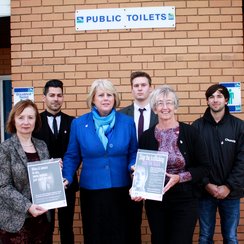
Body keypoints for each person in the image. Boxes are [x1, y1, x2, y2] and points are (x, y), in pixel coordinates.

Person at [62, 79, 138, 244]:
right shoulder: (79, 123)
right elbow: (72, 155)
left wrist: (133, 166)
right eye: (101, 95)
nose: (106, 98)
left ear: (115, 98)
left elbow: (133, 153)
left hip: (121, 188)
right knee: (95, 235)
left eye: (109, 95)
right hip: (92, 191)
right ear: (93, 99)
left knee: (121, 234)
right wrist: (66, 176)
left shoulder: (127, 122)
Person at [132, 85, 210, 244]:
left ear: (176, 106)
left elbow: (204, 167)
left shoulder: (191, 133)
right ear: (154, 108)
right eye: (160, 103)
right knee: (159, 239)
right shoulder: (146, 137)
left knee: (180, 240)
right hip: (156, 199)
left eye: (169, 102)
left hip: (185, 198)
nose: (165, 107)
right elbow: (143, 168)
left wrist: (179, 178)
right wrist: (137, 180)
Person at [192, 84, 244, 244]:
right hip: (204, 192)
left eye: (219, 96)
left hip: (231, 193)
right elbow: (193, 161)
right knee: (205, 236)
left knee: (230, 237)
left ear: (226, 100)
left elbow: (242, 160)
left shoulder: (239, 126)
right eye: (212, 97)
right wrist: (207, 184)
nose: (215, 100)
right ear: (207, 101)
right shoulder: (197, 127)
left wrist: (228, 186)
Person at [33, 79, 79, 244]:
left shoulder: (73, 122)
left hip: (68, 181)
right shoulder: (35, 122)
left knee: (67, 227)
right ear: (44, 97)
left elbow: (77, 152)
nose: (55, 99)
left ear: (63, 97)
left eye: (59, 95)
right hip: (44, 184)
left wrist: (67, 173)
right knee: (47, 227)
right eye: (51, 95)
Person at [0, 99, 50, 243]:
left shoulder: (42, 146)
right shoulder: (5, 149)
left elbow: (44, 178)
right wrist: (28, 207)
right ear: (13, 120)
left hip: (41, 220)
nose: (26, 122)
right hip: (15, 222)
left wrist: (57, 177)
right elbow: (3, 186)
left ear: (36, 121)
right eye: (21, 117)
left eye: (30, 117)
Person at [120, 71, 158, 244]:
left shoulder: (161, 112)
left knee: (157, 223)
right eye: (136, 85)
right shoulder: (121, 115)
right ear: (132, 89)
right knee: (130, 222)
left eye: (143, 85)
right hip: (128, 174)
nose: (140, 88)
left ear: (150, 88)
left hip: (155, 174)